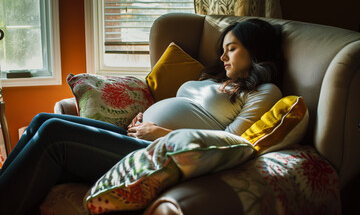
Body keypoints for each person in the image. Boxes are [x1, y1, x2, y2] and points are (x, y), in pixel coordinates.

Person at [0, 18, 282, 214]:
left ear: (255, 50)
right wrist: (145, 121)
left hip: (159, 154)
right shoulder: (215, 80)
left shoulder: (265, 91)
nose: (222, 58)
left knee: (54, 136)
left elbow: (232, 143)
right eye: (222, 51)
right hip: (138, 138)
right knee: (42, 121)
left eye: (231, 49)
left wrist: (159, 134)